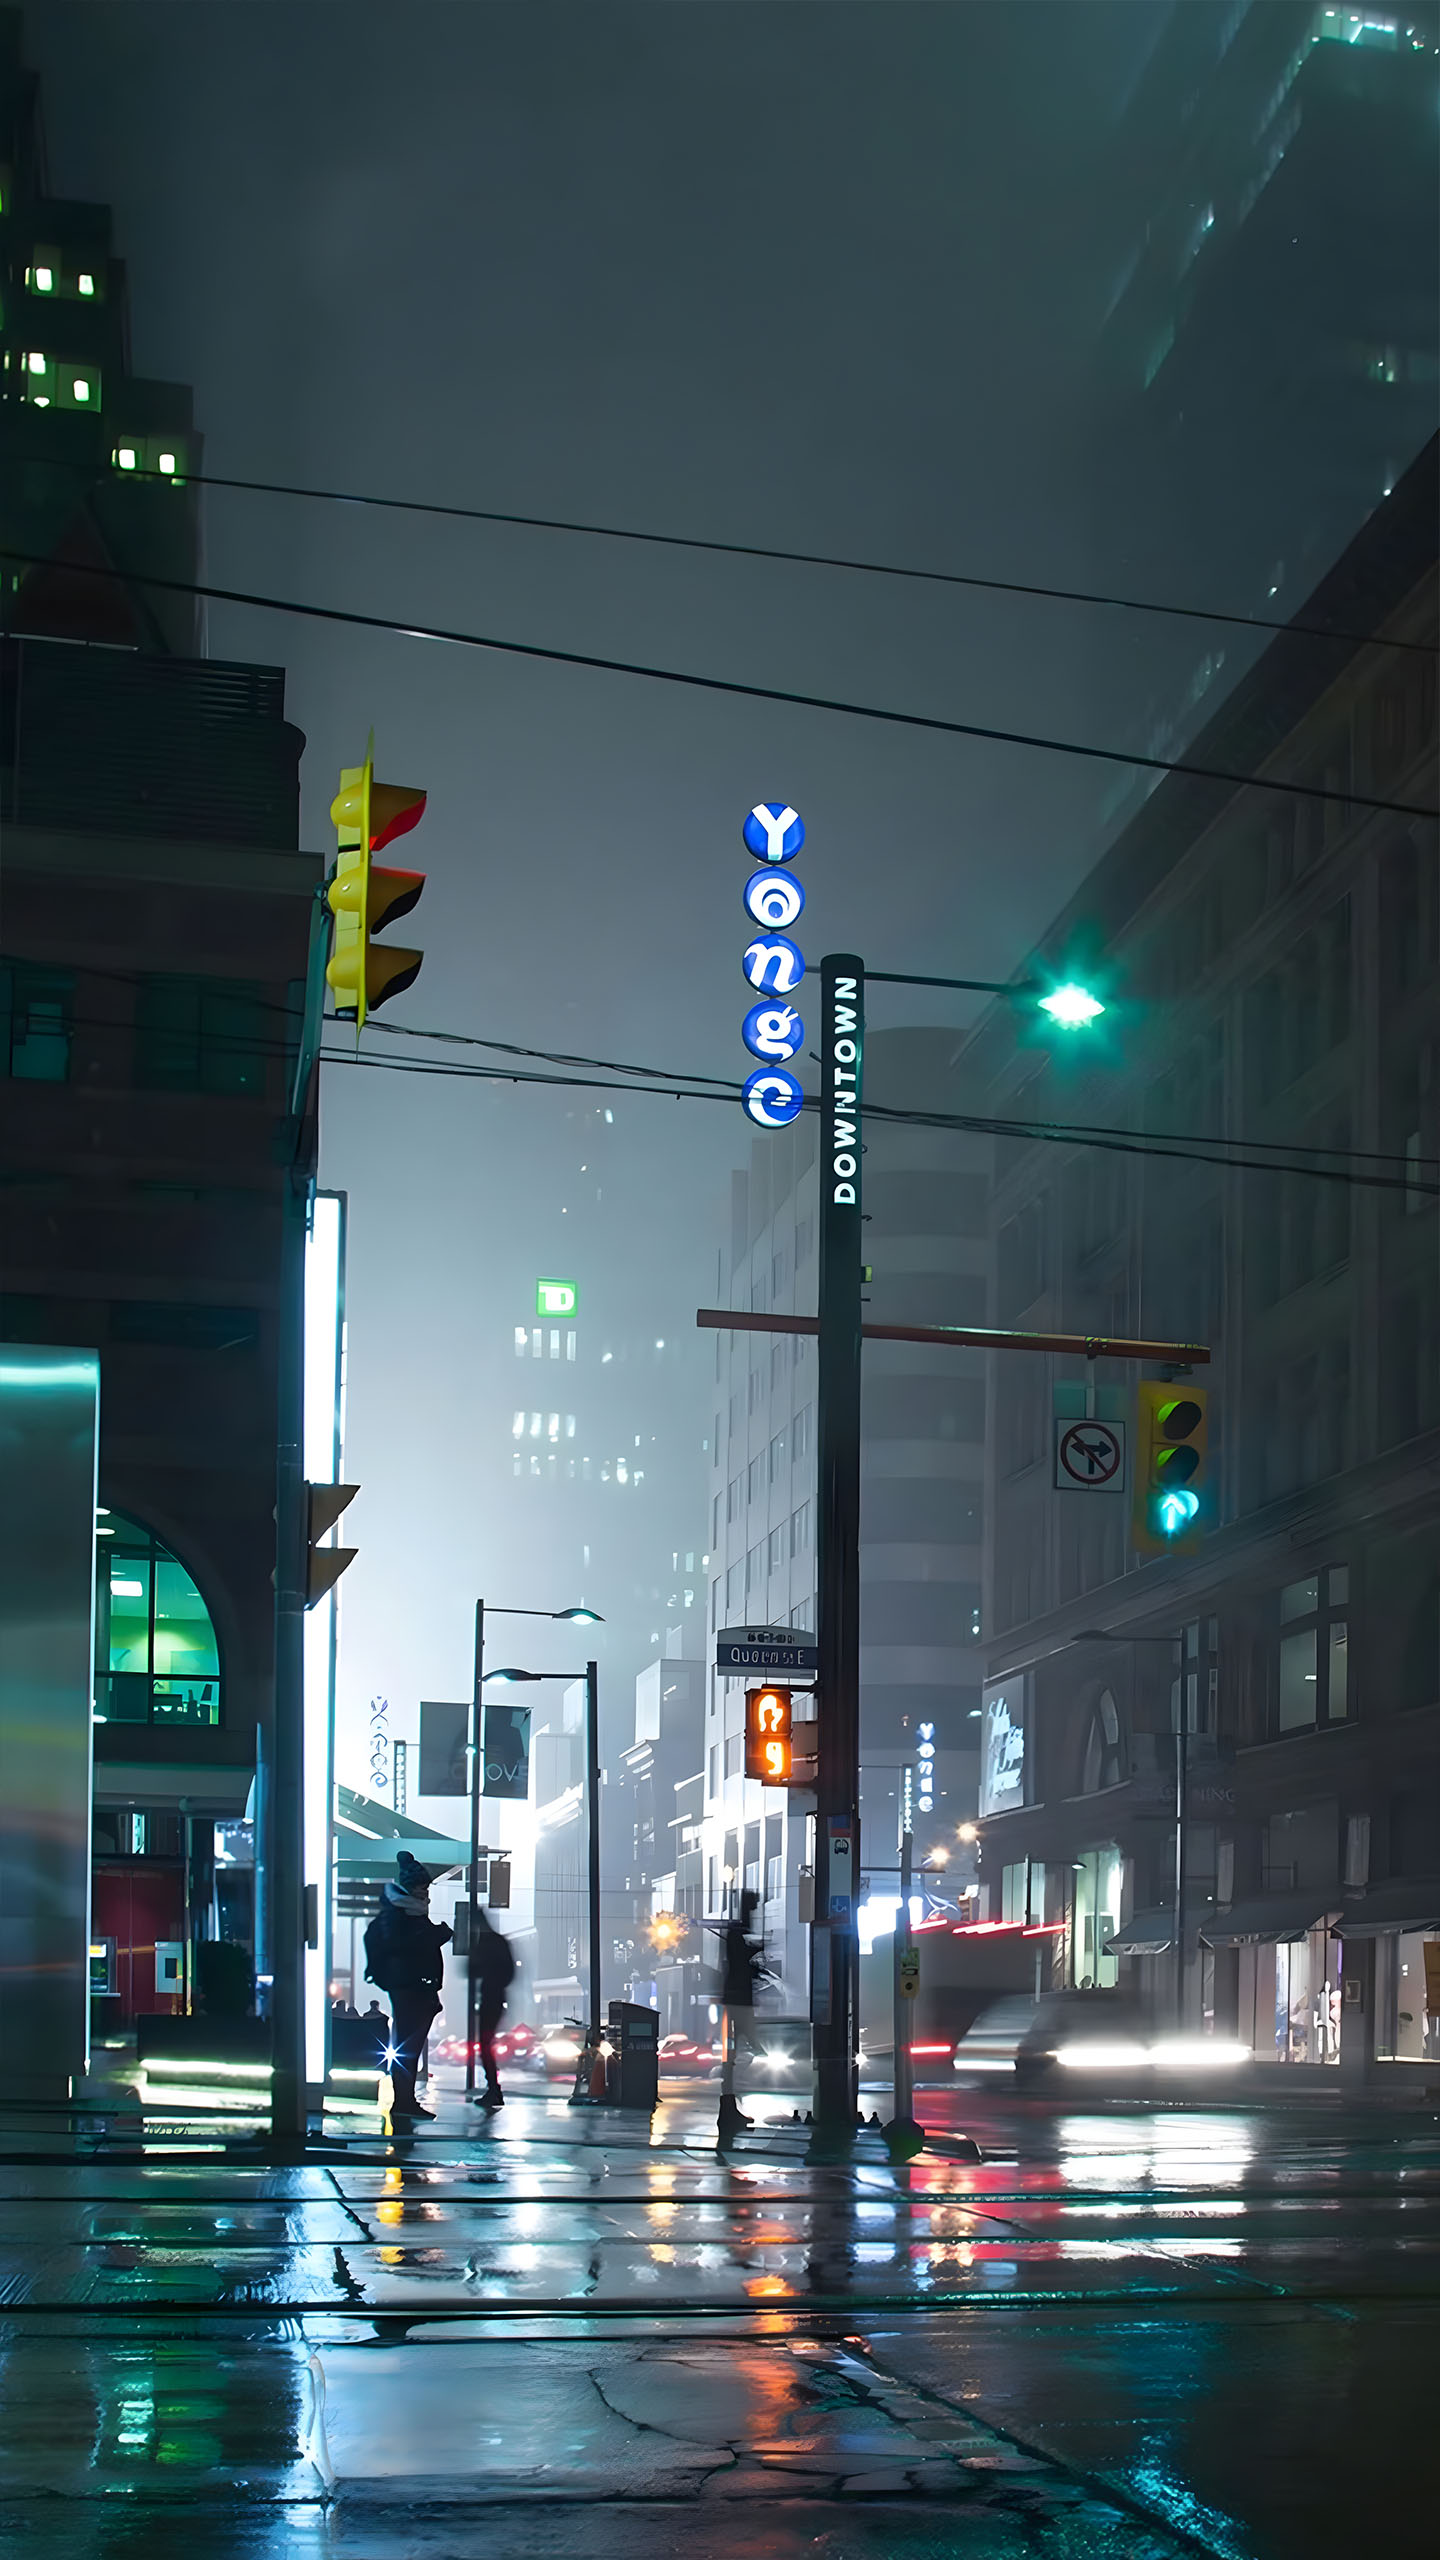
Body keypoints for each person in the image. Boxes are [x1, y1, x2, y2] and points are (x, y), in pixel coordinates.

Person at [363, 1852, 452, 2123]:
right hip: (411, 1987)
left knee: (407, 2045)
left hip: (412, 1987)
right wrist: (437, 1934)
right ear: (410, 1887)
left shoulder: (403, 1912)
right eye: (422, 1887)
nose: (426, 1893)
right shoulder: (404, 1914)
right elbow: (409, 1947)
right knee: (408, 2046)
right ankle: (404, 2101)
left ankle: (405, 2099)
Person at [717, 1888, 765, 2145]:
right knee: (742, 2050)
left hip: (737, 1999)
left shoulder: (736, 1934)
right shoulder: (737, 1935)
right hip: (738, 2000)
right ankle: (729, 2105)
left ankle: (731, 2104)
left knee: (739, 2052)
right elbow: (739, 1963)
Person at [469, 1905, 517, 2109]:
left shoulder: (486, 1944)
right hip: (494, 1998)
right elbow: (509, 1973)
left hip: (490, 1999)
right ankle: (493, 2089)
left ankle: (493, 2089)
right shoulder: (498, 1942)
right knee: (486, 2045)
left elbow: (471, 1971)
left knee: (485, 2045)